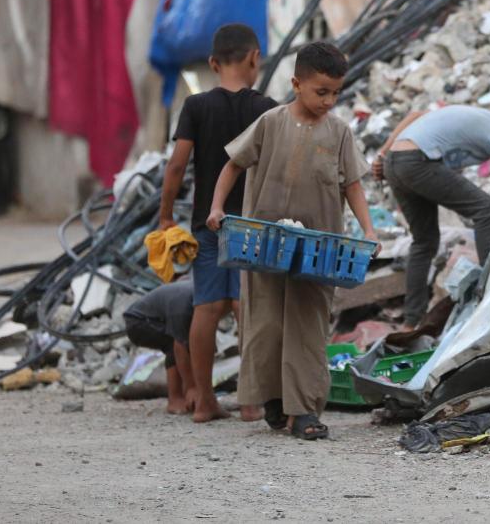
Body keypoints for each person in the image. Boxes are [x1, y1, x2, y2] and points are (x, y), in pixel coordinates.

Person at [207, 41, 377, 440]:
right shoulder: (270, 122)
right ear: (296, 83)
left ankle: (303, 412)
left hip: (318, 249)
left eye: (336, 92)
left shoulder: (338, 132)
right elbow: (232, 164)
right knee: (265, 323)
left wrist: (368, 230)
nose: (329, 100)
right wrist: (217, 208)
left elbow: (352, 185)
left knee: (307, 325)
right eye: (322, 91)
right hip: (263, 243)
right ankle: (271, 400)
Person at [158, 23, 277, 423]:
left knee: (206, 308)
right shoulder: (267, 109)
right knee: (247, 308)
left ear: (212, 63)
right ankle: (249, 402)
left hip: (207, 222)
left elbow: (176, 166)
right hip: (252, 224)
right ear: (254, 58)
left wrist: (165, 215)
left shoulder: (195, 107)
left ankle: (205, 402)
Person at [373, 87, 490, 329]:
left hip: (395, 163)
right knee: (487, 210)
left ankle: (410, 323)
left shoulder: (474, 117)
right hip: (417, 162)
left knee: (424, 241)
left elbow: (414, 116)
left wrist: (383, 154)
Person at [123, 279, 196, 415]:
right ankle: (175, 399)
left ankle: (190, 396)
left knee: (189, 342)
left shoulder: (199, 294)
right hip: (137, 320)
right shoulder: (184, 304)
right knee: (174, 343)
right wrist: (192, 386)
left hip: (158, 316)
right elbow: (179, 344)